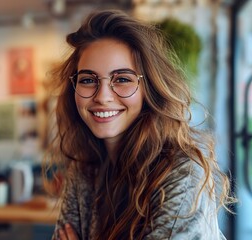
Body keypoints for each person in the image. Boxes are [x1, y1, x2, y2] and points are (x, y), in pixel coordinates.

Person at [43, 9, 235, 240]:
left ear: (150, 88)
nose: (102, 96)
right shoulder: (84, 169)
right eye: (87, 80)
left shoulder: (182, 174)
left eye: (122, 79)